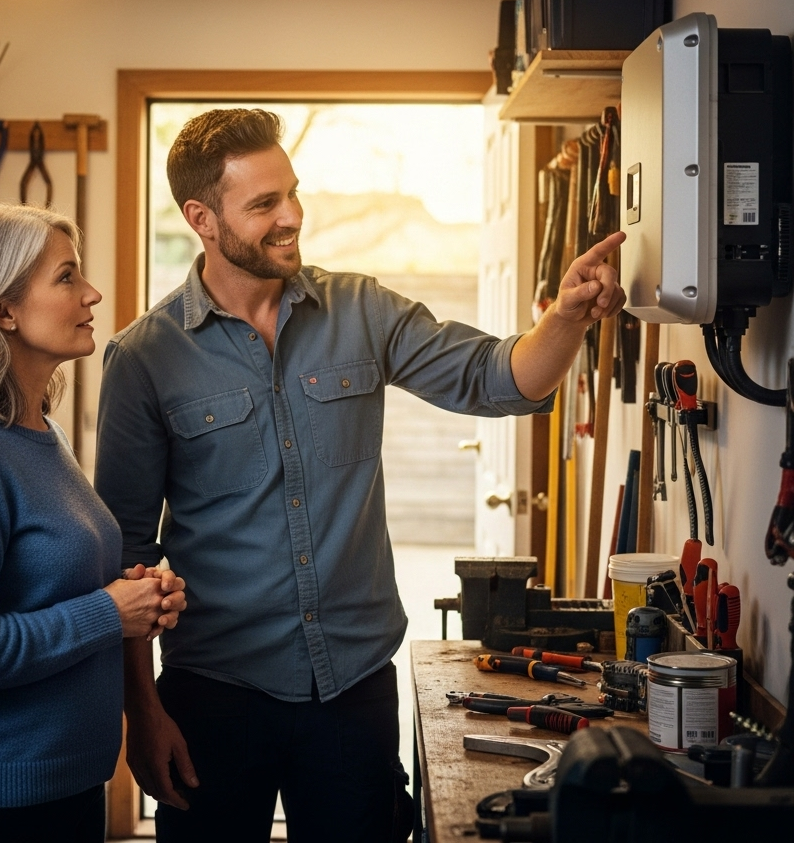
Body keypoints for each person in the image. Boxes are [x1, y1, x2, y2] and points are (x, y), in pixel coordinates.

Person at [95, 109, 626, 842]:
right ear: (202, 219)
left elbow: (496, 380)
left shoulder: (361, 309)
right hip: (213, 696)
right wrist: (141, 712)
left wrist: (566, 319)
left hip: (351, 688)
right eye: (263, 205)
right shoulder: (143, 358)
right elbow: (125, 556)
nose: (291, 217)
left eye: (292, 193)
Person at [0, 204, 187, 843]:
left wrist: (140, 597)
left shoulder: (38, 433)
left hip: (64, 783)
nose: (91, 293)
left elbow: (61, 590)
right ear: (4, 311)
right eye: (66, 277)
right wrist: (109, 614)